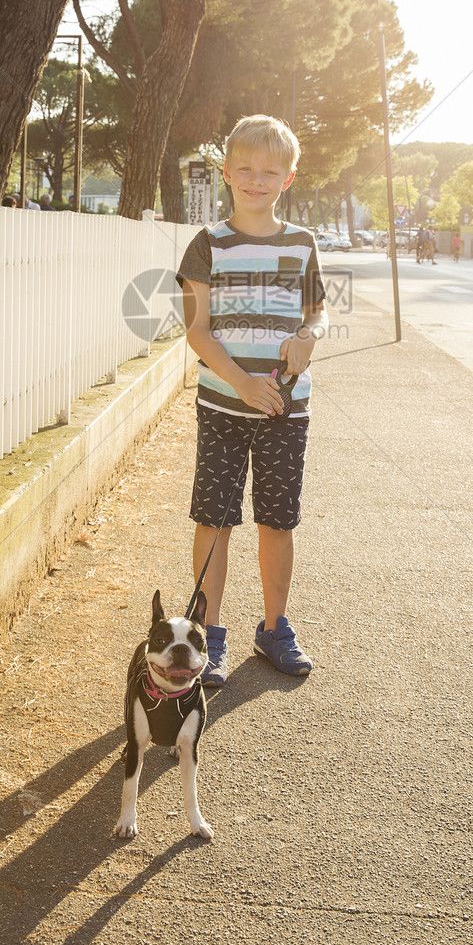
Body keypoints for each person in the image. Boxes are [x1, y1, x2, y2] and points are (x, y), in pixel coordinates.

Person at [177, 115, 328, 686]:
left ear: (288, 179)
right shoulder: (209, 244)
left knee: (277, 521)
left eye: (270, 171)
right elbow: (197, 331)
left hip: (285, 409)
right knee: (215, 519)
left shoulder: (302, 243)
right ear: (226, 174)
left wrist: (309, 336)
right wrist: (240, 381)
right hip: (222, 406)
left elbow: (317, 310)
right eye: (245, 169)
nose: (256, 180)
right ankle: (208, 633)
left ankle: (273, 627)